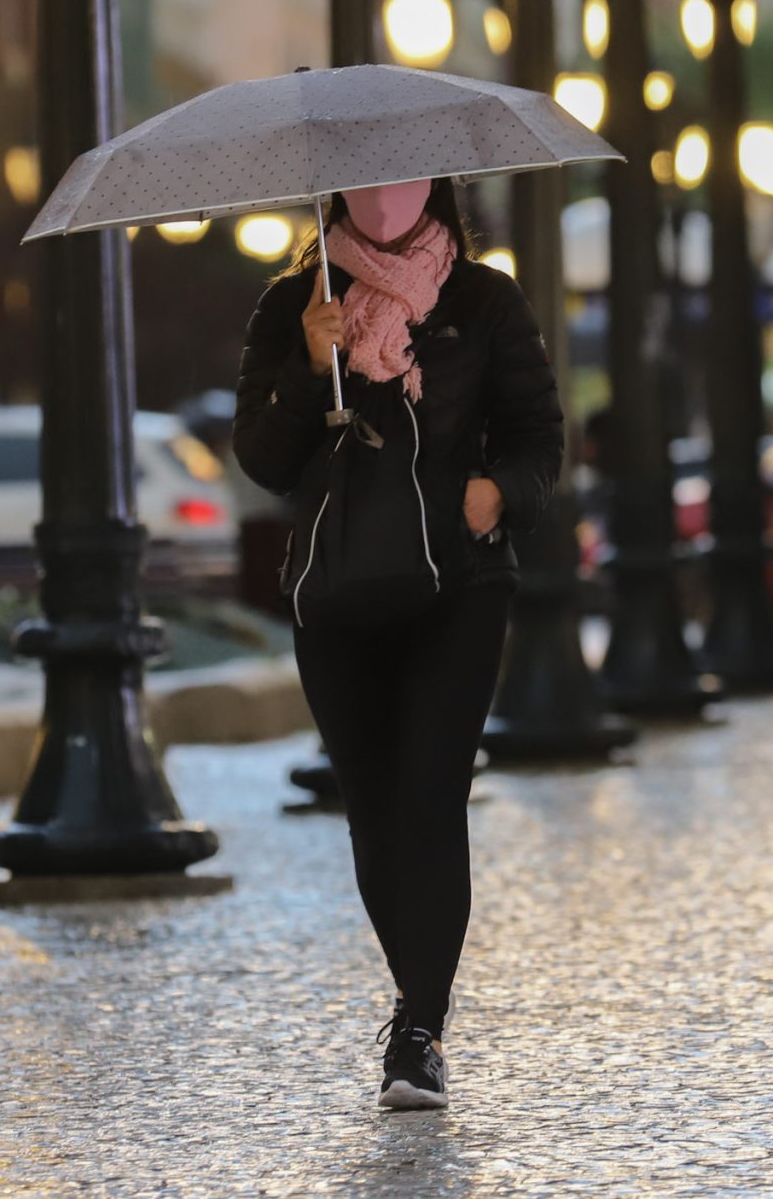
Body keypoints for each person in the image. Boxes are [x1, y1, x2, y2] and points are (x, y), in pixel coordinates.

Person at [231, 177, 562, 1113]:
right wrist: (307, 363)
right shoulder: (294, 302)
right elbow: (261, 456)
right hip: (338, 591)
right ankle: (416, 1011)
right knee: (374, 807)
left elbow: (541, 433)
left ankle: (418, 1032)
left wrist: (499, 494)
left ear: (436, 190)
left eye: (403, 180)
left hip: (458, 583)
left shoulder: (485, 299)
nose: (384, 197)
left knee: (430, 790)